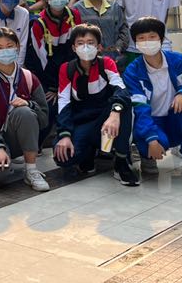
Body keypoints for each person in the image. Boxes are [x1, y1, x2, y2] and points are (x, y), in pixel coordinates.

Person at [123, 17, 182, 184]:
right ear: (135, 43)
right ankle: (147, 156)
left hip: (175, 118)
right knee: (149, 143)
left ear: (161, 39)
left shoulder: (179, 61)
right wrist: (151, 137)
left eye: (152, 37)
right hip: (152, 121)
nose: (147, 42)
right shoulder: (132, 71)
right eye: (141, 38)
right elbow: (139, 107)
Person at [53, 24, 139, 186]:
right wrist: (64, 135)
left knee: (124, 106)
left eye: (90, 42)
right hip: (82, 122)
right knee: (63, 157)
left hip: (105, 120)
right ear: (73, 48)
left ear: (99, 47)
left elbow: (120, 89)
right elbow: (63, 102)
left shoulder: (106, 63)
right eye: (80, 43)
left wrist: (115, 113)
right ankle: (89, 151)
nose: (85, 47)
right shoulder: (67, 69)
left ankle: (121, 160)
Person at [0, 28, 50, 191]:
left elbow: (44, 118)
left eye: (9, 46)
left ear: (18, 47)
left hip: (17, 138)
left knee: (24, 112)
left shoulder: (29, 78)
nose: (5, 51)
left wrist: (29, 104)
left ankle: (31, 170)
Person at [25, 0, 82, 147]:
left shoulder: (74, 16)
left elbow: (76, 49)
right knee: (49, 106)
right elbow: (40, 60)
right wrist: (54, 86)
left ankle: (76, 140)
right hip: (47, 75)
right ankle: (38, 143)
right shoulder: (39, 23)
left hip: (71, 70)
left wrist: (67, 80)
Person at [73, 0, 129, 69]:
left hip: (115, 59)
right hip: (89, 60)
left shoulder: (114, 7)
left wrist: (118, 47)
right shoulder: (77, 8)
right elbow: (75, 35)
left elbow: (124, 29)